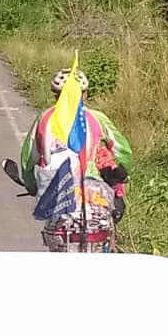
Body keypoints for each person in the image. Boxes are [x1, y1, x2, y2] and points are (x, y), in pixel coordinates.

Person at [19, 68, 132, 246]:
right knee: (106, 239)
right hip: (95, 197)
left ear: (55, 95)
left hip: (58, 200)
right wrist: (117, 179)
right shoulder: (96, 118)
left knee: (56, 241)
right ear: (84, 95)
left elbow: (28, 161)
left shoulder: (44, 119)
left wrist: (31, 185)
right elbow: (123, 152)